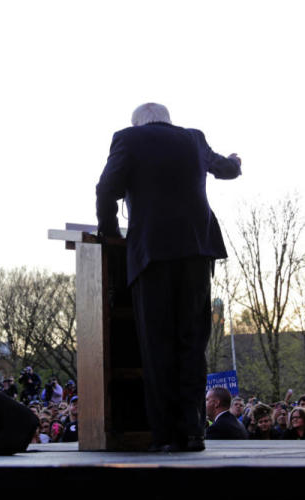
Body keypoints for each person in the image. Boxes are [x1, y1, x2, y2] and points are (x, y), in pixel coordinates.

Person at [96, 102, 241, 452]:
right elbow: (225, 169)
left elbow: (106, 190)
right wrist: (236, 163)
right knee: (192, 343)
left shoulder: (128, 139)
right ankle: (193, 433)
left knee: (157, 344)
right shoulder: (193, 139)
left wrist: (110, 234)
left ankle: (165, 436)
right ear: (167, 120)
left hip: (152, 254)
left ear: (137, 123)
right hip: (196, 251)